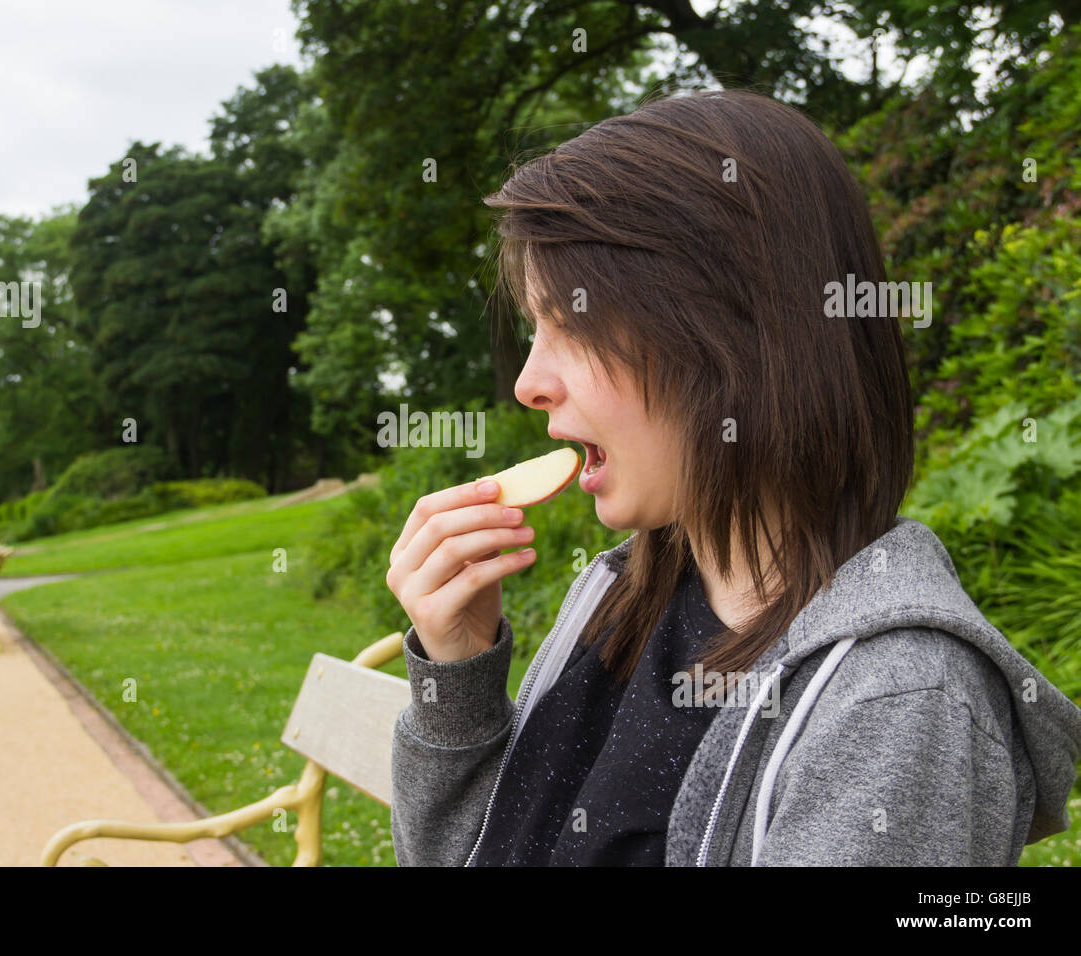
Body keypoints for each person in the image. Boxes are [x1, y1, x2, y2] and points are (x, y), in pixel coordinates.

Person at [384, 89, 1081, 866]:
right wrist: (457, 673)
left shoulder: (895, 699)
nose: (528, 383)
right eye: (534, 328)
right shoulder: (617, 605)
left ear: (730, 337)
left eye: (572, 324)